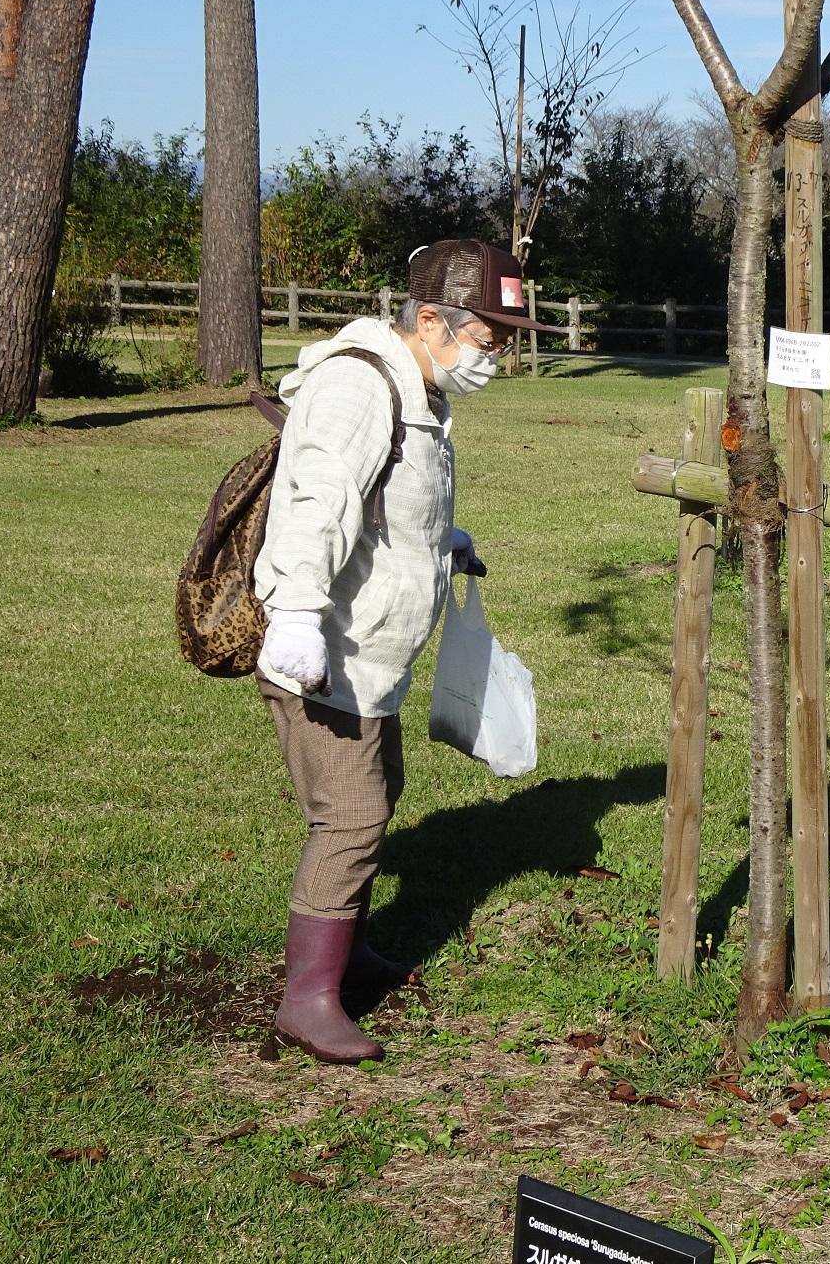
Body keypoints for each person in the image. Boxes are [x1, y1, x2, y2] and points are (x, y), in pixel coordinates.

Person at [253, 239, 542, 1064]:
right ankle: (307, 998)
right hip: (325, 646)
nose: (497, 355)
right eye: (490, 337)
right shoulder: (359, 385)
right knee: (350, 815)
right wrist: (299, 618)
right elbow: (320, 502)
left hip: (369, 652)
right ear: (429, 321)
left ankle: (348, 954)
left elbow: (387, 507)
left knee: (381, 791)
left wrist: (444, 543)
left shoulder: (418, 388)